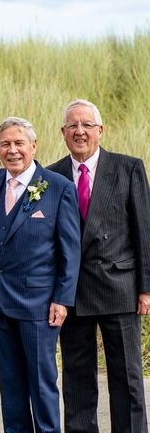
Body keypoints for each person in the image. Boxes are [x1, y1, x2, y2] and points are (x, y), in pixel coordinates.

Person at [48, 99, 150, 432]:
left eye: (87, 125)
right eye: (72, 126)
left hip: (119, 288)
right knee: (77, 380)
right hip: (72, 293)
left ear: (100, 130)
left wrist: (146, 289)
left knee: (128, 379)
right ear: (63, 132)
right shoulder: (51, 175)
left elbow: (143, 231)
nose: (80, 131)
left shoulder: (128, 168)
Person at [0, 116, 80, 432]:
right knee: (10, 386)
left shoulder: (58, 187)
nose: (13, 150)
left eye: (19, 143)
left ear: (33, 146)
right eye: (5, 144)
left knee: (41, 382)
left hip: (38, 305)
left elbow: (70, 249)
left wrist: (62, 299)